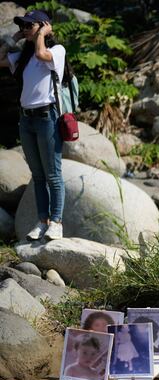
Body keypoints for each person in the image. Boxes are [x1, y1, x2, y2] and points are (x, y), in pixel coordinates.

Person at [0, 10, 68, 240]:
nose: (26, 29)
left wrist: (42, 33)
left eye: (30, 26)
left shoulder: (57, 51)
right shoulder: (23, 57)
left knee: (53, 175)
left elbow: (41, 53)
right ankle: (42, 222)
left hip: (47, 118)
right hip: (26, 119)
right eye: (24, 26)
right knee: (37, 176)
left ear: (43, 26)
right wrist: (16, 37)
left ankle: (56, 222)